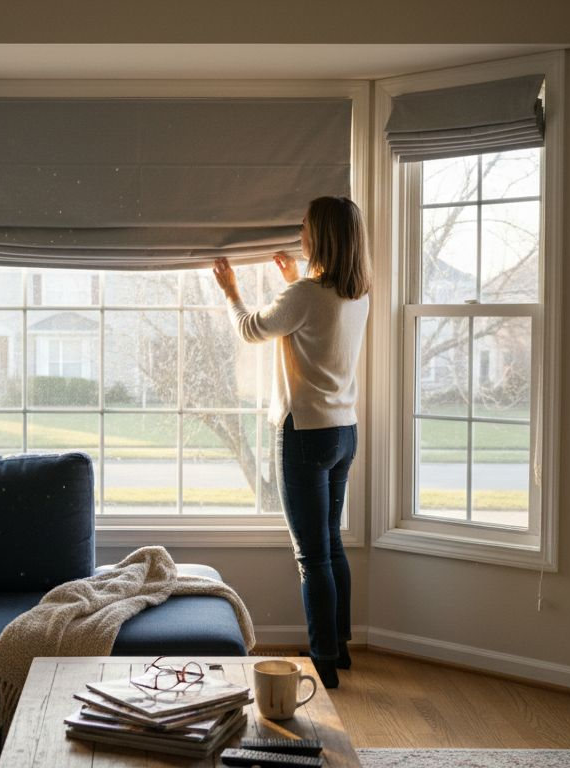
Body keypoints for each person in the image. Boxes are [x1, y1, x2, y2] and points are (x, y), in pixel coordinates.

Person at [211, 196, 372, 689]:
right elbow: (316, 327)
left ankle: (322, 661)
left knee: (312, 556)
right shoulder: (356, 294)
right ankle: (339, 647)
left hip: (305, 433)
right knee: (331, 545)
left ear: (318, 236)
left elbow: (251, 329)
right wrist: (292, 280)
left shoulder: (305, 293)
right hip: (344, 431)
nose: (299, 233)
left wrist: (231, 289)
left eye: (304, 227)